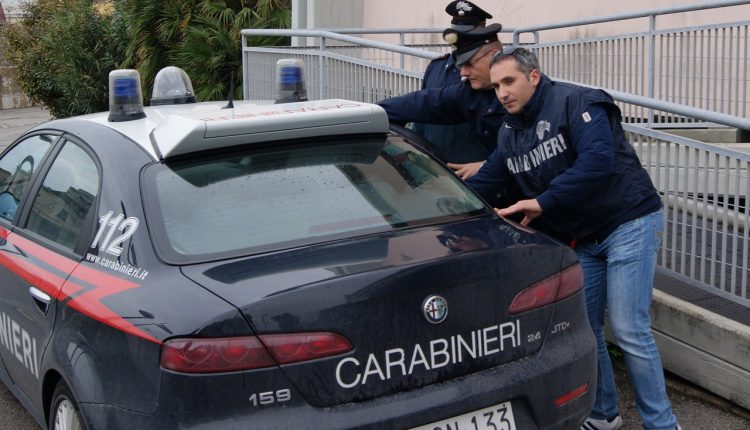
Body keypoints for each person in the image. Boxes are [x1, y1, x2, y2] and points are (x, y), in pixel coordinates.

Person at [466, 47, 681, 430]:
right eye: (496, 85)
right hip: (583, 239)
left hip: (628, 221)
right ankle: (603, 413)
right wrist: (439, 207)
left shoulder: (577, 102)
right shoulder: (510, 134)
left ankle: (662, 424)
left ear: (533, 76)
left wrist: (544, 201)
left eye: (509, 81)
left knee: (630, 330)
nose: (501, 92)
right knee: (585, 330)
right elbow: (483, 184)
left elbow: (597, 161)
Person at [378, 21, 506, 180]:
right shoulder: (468, 93)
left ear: (493, 55)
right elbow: (421, 103)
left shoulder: (531, 91)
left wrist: (487, 165)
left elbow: (526, 148)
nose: (463, 73)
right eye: (461, 65)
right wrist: (370, 113)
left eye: (469, 64)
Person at [410, 0, 493, 164]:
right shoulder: (436, 67)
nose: (461, 40)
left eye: (468, 35)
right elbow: (421, 118)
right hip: (435, 168)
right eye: (458, 35)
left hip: (474, 169)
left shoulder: (492, 70)